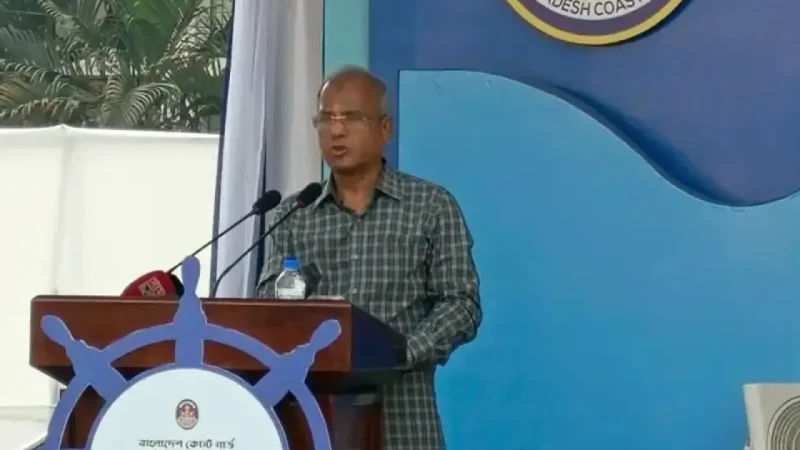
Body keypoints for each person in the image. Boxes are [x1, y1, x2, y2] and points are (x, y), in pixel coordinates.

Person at [257, 66, 482, 450]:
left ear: (385, 128)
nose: (336, 131)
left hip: (404, 418)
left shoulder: (431, 206)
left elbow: (462, 304)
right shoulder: (293, 214)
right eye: (326, 119)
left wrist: (402, 351)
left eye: (351, 118)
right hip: (314, 419)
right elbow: (267, 306)